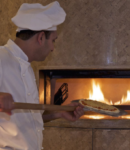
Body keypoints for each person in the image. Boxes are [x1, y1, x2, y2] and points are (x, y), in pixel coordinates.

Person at [0, 1, 84, 150]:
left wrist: (59, 113)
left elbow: (28, 119)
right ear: (40, 37)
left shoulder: (27, 67)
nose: (52, 48)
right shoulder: (2, 58)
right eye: (53, 41)